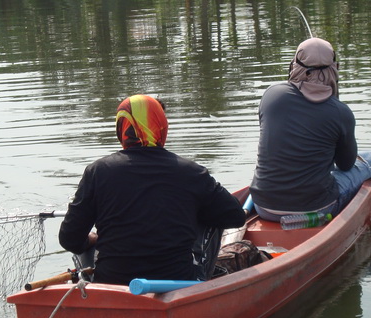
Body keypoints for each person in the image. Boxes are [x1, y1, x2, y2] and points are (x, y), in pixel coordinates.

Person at [59, 94, 246, 285]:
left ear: (121, 129)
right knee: (214, 214)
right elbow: (235, 216)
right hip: (178, 282)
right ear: (161, 126)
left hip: (113, 284)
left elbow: (69, 239)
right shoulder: (192, 172)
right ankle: (202, 279)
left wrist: (93, 240)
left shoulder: (97, 172)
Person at [249, 37, 371, 222]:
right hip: (317, 208)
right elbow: (346, 165)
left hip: (263, 206)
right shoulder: (341, 112)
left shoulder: (271, 95)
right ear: (334, 69)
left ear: (294, 66)